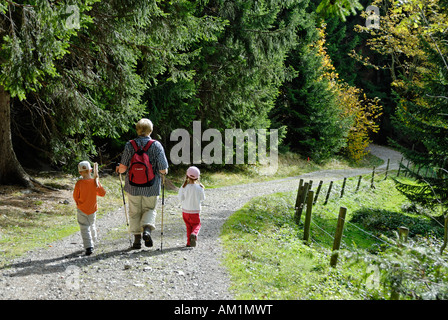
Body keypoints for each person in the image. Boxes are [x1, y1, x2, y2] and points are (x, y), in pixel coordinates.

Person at [116, 118, 168, 249]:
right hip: (151, 186)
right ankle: (147, 230)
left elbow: (122, 168)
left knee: (134, 212)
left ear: (137, 130)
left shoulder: (130, 145)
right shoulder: (156, 145)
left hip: (133, 186)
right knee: (149, 209)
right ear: (150, 130)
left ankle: (137, 240)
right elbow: (163, 169)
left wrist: (119, 169)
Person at [73, 161, 106, 256]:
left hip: (82, 209)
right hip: (92, 209)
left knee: (84, 227)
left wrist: (78, 204)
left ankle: (88, 246)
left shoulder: (79, 183)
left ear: (80, 172)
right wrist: (97, 182)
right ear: (91, 170)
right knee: (91, 224)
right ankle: (93, 240)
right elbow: (102, 193)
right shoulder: (94, 182)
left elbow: (75, 196)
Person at [178, 166, 205, 247]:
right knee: (197, 224)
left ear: (187, 176)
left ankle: (189, 243)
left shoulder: (183, 187)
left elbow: (180, 198)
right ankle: (194, 234)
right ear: (197, 177)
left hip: (185, 211)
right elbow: (202, 198)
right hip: (195, 211)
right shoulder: (200, 188)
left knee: (188, 226)